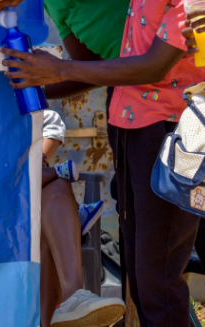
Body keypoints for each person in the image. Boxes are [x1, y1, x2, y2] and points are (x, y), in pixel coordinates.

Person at [0, 0, 205, 327]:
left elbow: (155, 65)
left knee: (157, 281)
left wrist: (57, 70)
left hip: (174, 134)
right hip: (132, 122)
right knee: (140, 266)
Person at [40, 0, 205, 308]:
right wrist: (36, 79)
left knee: (158, 271)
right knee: (150, 262)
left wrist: (58, 71)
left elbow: (155, 64)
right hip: (134, 116)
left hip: (181, 121)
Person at [40, 111, 124, 327]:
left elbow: (49, 122)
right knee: (47, 220)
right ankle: (70, 217)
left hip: (27, 203)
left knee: (57, 189)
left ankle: (74, 297)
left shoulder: (23, 107)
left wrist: (35, 163)